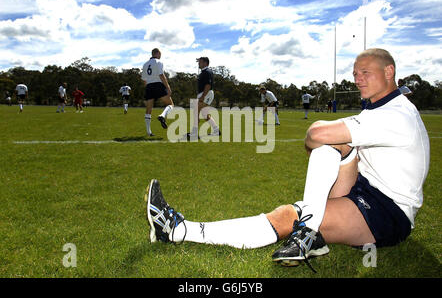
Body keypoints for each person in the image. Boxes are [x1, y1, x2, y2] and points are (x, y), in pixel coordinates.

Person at [144, 48, 430, 272]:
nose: (358, 79)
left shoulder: (396, 115)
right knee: (328, 144)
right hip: (360, 188)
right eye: (355, 73)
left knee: (288, 215)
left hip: (388, 210)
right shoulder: (378, 109)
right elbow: (319, 138)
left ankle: (179, 231)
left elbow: (315, 134)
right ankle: (310, 233)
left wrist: (322, 138)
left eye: (365, 72)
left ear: (389, 71)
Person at [141, 48, 174, 136]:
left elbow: (144, 80)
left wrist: (148, 88)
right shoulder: (159, 62)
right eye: (160, 54)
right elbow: (161, 75)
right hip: (158, 85)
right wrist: (168, 87)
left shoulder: (145, 64)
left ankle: (149, 132)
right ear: (157, 53)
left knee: (148, 109)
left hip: (149, 86)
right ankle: (162, 116)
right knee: (170, 104)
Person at [187, 57, 220, 139]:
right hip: (205, 94)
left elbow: (208, 85)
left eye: (200, 62)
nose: (198, 63)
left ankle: (194, 134)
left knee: (195, 112)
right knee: (205, 115)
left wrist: (202, 96)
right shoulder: (204, 72)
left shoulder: (207, 72)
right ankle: (217, 131)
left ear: (205, 63)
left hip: (206, 94)